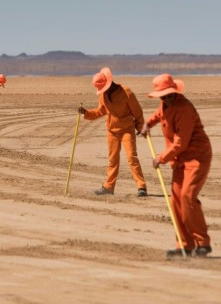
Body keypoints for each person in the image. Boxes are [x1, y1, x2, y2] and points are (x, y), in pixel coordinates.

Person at [139, 73, 213, 258]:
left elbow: (181, 143)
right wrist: (148, 123)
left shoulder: (183, 108)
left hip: (196, 158)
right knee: (176, 202)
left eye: (167, 95)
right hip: (179, 160)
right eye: (162, 96)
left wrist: (160, 158)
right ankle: (184, 245)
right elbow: (159, 114)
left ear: (174, 93)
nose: (165, 98)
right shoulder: (166, 103)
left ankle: (203, 243)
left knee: (187, 198)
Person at [79, 67, 147, 197]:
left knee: (131, 157)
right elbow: (100, 111)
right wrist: (86, 113)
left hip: (127, 130)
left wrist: (141, 127)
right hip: (112, 132)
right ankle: (109, 187)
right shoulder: (104, 96)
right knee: (113, 160)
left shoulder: (126, 92)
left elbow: (137, 112)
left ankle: (141, 186)